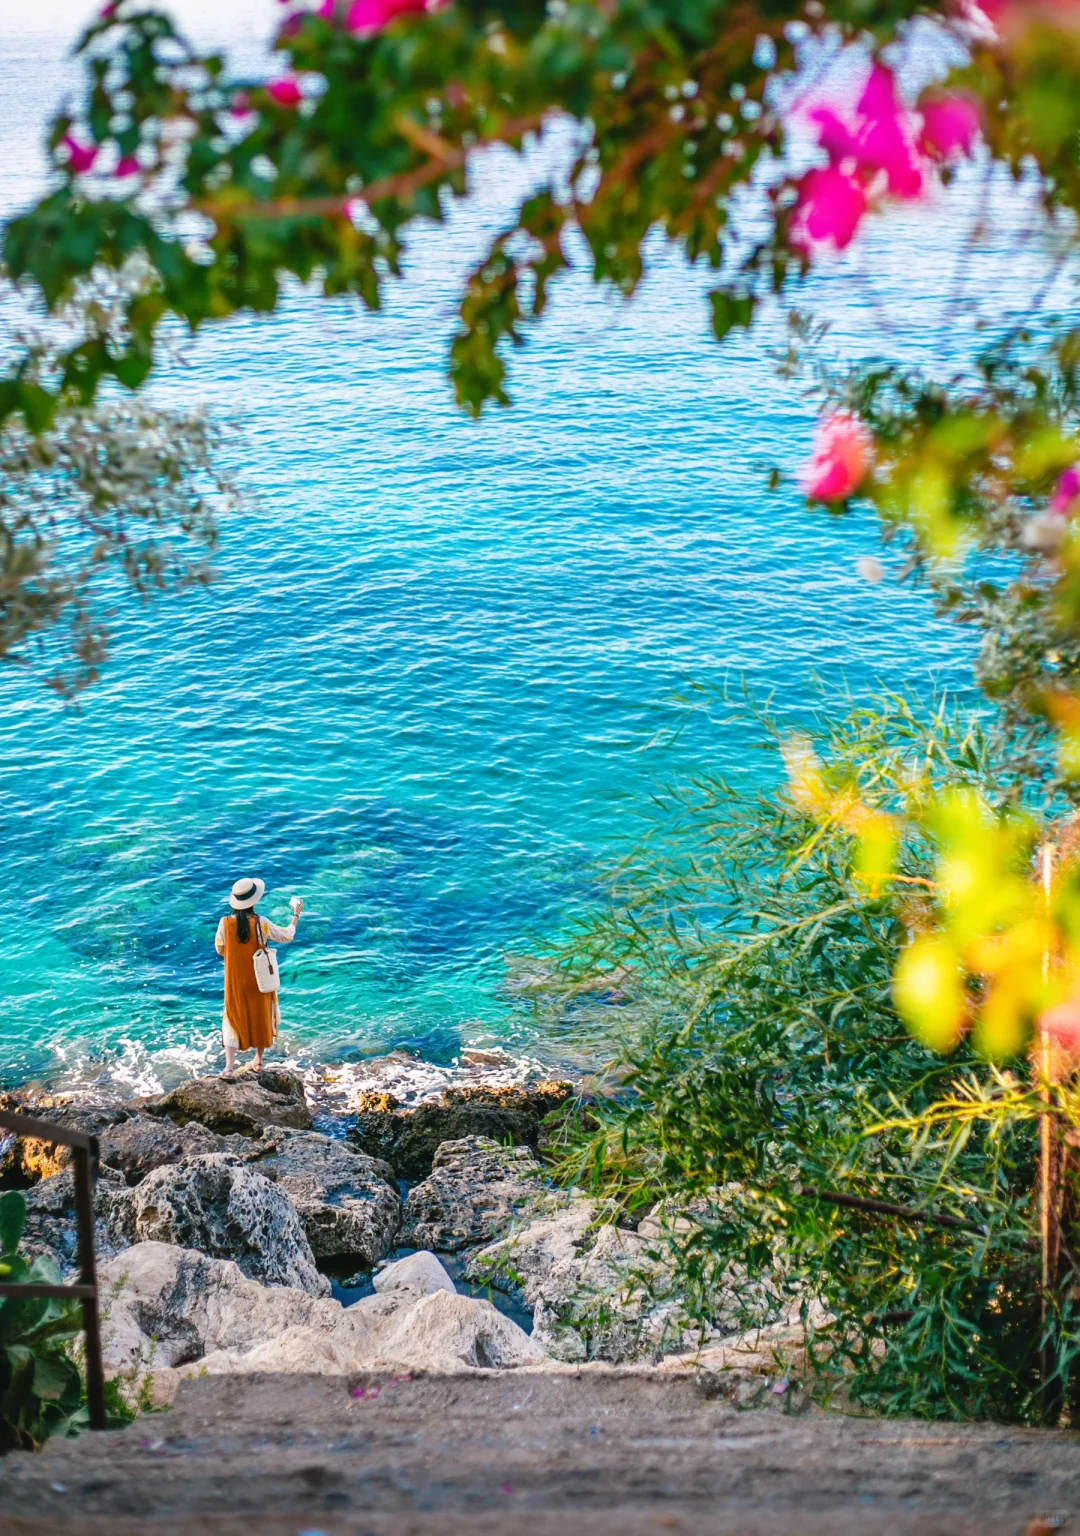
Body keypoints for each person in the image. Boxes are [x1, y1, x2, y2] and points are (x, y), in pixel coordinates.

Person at [214, 878, 304, 1079]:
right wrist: (296, 915)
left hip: (235, 979)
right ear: (254, 900)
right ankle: (258, 1061)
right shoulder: (261, 922)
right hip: (259, 977)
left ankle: (229, 1068)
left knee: (232, 1016)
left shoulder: (224, 922)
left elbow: (220, 948)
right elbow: (286, 936)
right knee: (261, 1013)